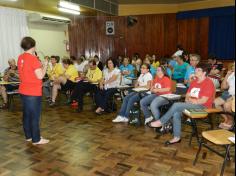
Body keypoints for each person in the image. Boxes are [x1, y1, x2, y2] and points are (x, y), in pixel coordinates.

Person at [149, 65, 215, 145]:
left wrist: (191, 100)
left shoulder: (208, 83)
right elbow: (187, 95)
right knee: (176, 112)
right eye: (195, 70)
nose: (195, 71)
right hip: (191, 104)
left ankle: (161, 121)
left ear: (204, 73)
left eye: (198, 70)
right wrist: (189, 100)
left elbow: (203, 100)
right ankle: (177, 137)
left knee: (176, 105)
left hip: (203, 107)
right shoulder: (194, 81)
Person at [17, 36, 49, 145]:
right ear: (33, 46)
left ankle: (29, 136)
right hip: (33, 92)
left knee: (27, 114)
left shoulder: (21, 57)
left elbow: (28, 71)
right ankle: (36, 139)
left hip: (23, 90)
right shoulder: (32, 58)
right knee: (35, 116)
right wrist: (45, 65)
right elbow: (40, 76)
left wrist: (37, 62)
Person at [214, 63, 235, 129]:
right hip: (228, 94)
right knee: (214, 103)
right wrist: (227, 75)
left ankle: (231, 121)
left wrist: (232, 97)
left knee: (227, 105)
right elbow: (223, 87)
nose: (233, 67)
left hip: (233, 95)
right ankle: (227, 119)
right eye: (233, 65)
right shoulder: (232, 74)